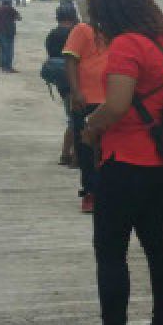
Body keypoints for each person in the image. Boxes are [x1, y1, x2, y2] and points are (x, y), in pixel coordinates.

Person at [68, 0, 163, 325]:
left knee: (110, 249)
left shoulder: (126, 45)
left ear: (108, 10)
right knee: (157, 244)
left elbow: (117, 104)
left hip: (127, 161)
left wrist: (90, 126)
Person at [64, 18, 109, 214]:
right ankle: (90, 193)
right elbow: (70, 60)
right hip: (87, 100)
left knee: (109, 149)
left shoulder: (119, 29)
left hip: (113, 100)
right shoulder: (82, 29)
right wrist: (76, 91)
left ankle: (108, 192)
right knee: (86, 149)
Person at [45, 4, 79, 165]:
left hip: (60, 81)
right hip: (75, 79)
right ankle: (71, 155)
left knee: (71, 117)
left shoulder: (52, 34)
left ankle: (67, 153)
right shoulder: (75, 32)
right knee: (76, 119)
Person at [0, 0, 22, 72]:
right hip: (9, 32)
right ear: (9, 3)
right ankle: (8, 67)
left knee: (3, 49)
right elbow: (19, 18)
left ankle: (3, 67)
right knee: (9, 50)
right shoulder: (11, 9)